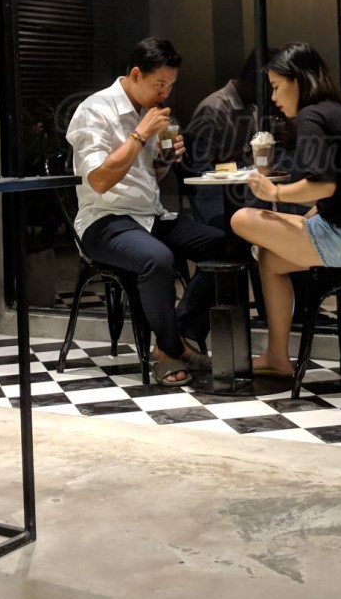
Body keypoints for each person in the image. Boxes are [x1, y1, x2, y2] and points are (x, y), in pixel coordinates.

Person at [231, 43, 341, 377]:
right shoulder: (337, 112)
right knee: (270, 259)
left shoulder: (311, 117)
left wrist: (274, 191)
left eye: (277, 86)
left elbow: (323, 186)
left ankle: (276, 355)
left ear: (298, 81)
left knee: (242, 218)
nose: (274, 97)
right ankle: (277, 357)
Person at [66, 37, 227, 386]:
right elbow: (99, 180)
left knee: (227, 245)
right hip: (104, 220)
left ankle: (176, 338)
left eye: (171, 85)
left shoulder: (149, 112)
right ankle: (171, 350)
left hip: (149, 215)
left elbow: (148, 174)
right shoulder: (94, 111)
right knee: (157, 259)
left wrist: (165, 160)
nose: (165, 93)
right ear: (136, 74)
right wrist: (139, 135)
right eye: (160, 84)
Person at [183, 50, 272, 231]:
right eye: (270, 87)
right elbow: (202, 167)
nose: (271, 95)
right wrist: (250, 150)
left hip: (246, 195)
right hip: (217, 200)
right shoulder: (214, 108)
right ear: (253, 78)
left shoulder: (253, 108)